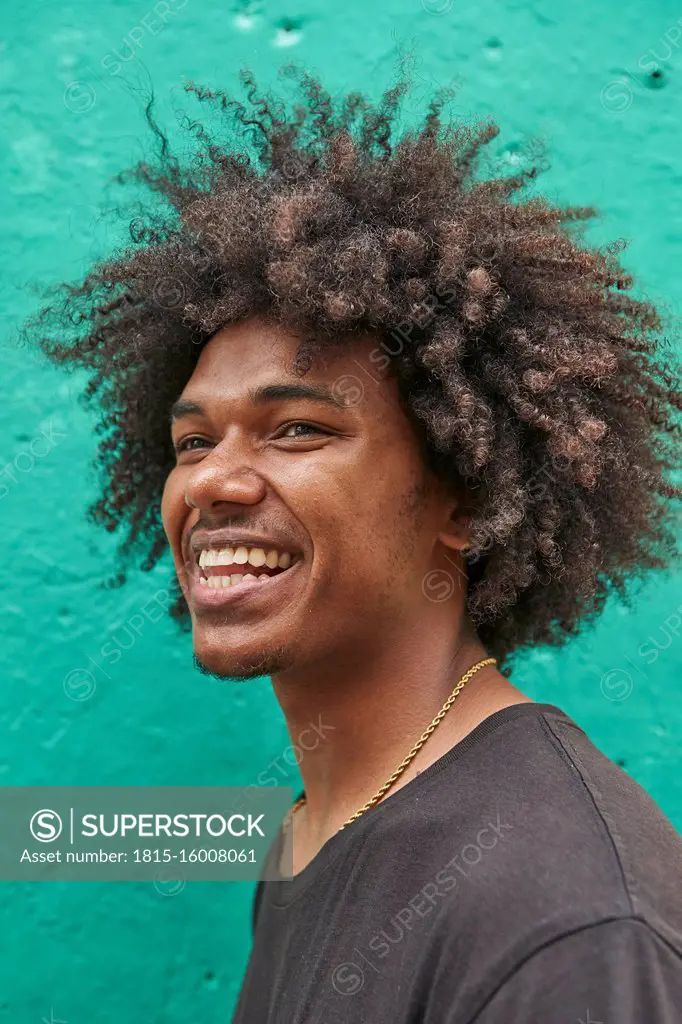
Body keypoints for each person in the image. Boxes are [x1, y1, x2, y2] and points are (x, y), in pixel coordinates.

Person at [28, 65, 682, 1022]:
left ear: (465, 494)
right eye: (193, 442)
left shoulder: (570, 922)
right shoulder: (309, 834)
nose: (213, 479)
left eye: (297, 429)